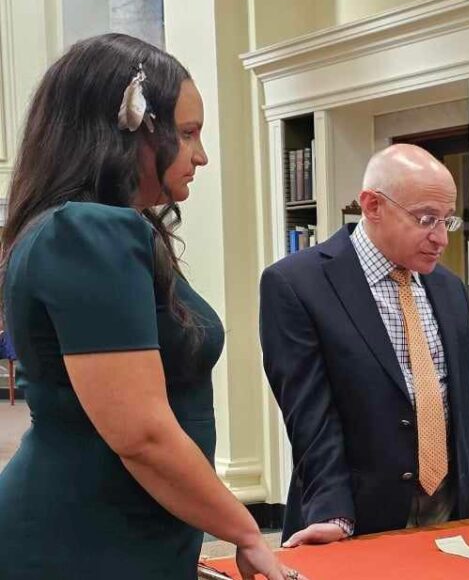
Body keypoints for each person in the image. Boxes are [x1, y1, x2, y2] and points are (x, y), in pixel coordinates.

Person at [0, 34, 295, 580]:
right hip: (84, 540)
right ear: (128, 130)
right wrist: (245, 529)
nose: (201, 155)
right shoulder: (87, 231)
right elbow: (142, 433)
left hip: (124, 527)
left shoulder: (89, 229)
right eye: (186, 134)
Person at [259, 143, 469, 546]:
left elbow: (467, 402)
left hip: (449, 515)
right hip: (355, 517)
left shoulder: (449, 288)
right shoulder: (296, 285)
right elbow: (311, 418)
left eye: (447, 221)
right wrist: (333, 514)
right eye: (426, 219)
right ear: (372, 205)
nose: (441, 238)